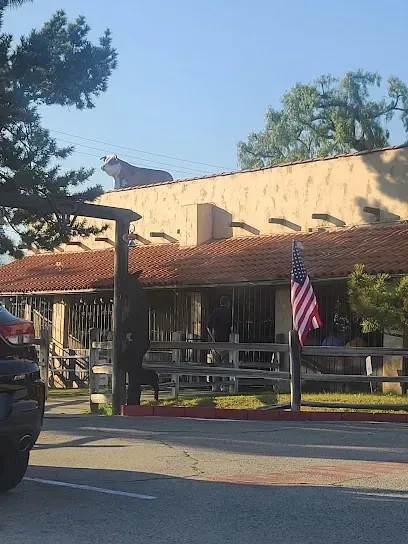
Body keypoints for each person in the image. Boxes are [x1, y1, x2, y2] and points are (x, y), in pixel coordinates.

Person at [121, 273, 151, 405]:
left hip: (138, 339)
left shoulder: (136, 299)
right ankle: (133, 401)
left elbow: (134, 317)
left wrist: (122, 328)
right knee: (132, 371)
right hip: (140, 339)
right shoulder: (139, 297)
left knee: (125, 365)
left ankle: (148, 376)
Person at [207, 296, 232, 391]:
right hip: (227, 342)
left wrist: (212, 337)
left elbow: (208, 326)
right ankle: (225, 386)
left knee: (215, 365)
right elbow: (233, 328)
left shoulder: (215, 312)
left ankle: (215, 386)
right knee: (226, 366)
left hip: (216, 343)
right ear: (228, 303)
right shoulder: (230, 313)